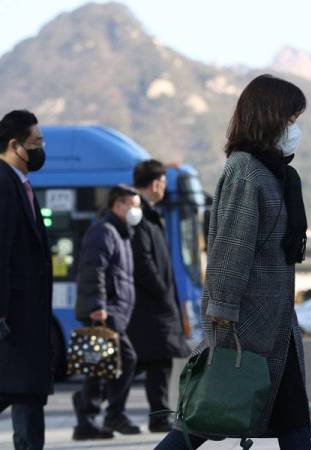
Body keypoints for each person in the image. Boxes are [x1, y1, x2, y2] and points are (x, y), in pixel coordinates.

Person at [155, 74, 311, 449]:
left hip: (278, 328)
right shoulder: (246, 170)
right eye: (291, 119)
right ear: (269, 117)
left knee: (294, 424)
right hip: (248, 325)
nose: (295, 129)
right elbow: (230, 249)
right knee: (201, 421)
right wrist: (221, 318)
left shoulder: (279, 175)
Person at [72, 184, 143, 440]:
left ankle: (88, 418)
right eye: (133, 205)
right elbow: (93, 269)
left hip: (114, 311)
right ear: (117, 205)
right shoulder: (104, 231)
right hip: (104, 311)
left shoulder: (121, 232)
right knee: (114, 362)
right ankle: (106, 414)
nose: (137, 210)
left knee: (100, 365)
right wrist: (97, 305)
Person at [0, 110, 53, 450]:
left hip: (26, 322)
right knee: (22, 392)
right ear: (15, 145)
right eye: (36, 143)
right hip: (14, 320)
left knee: (27, 395)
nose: (41, 149)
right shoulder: (3, 184)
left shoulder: (20, 184)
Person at [127, 159, 191, 432]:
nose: (163, 188)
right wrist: (162, 291)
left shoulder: (150, 214)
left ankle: (159, 415)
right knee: (150, 361)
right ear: (155, 184)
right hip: (149, 305)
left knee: (156, 361)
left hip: (154, 304)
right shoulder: (139, 215)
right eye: (163, 183)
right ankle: (91, 404)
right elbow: (143, 261)